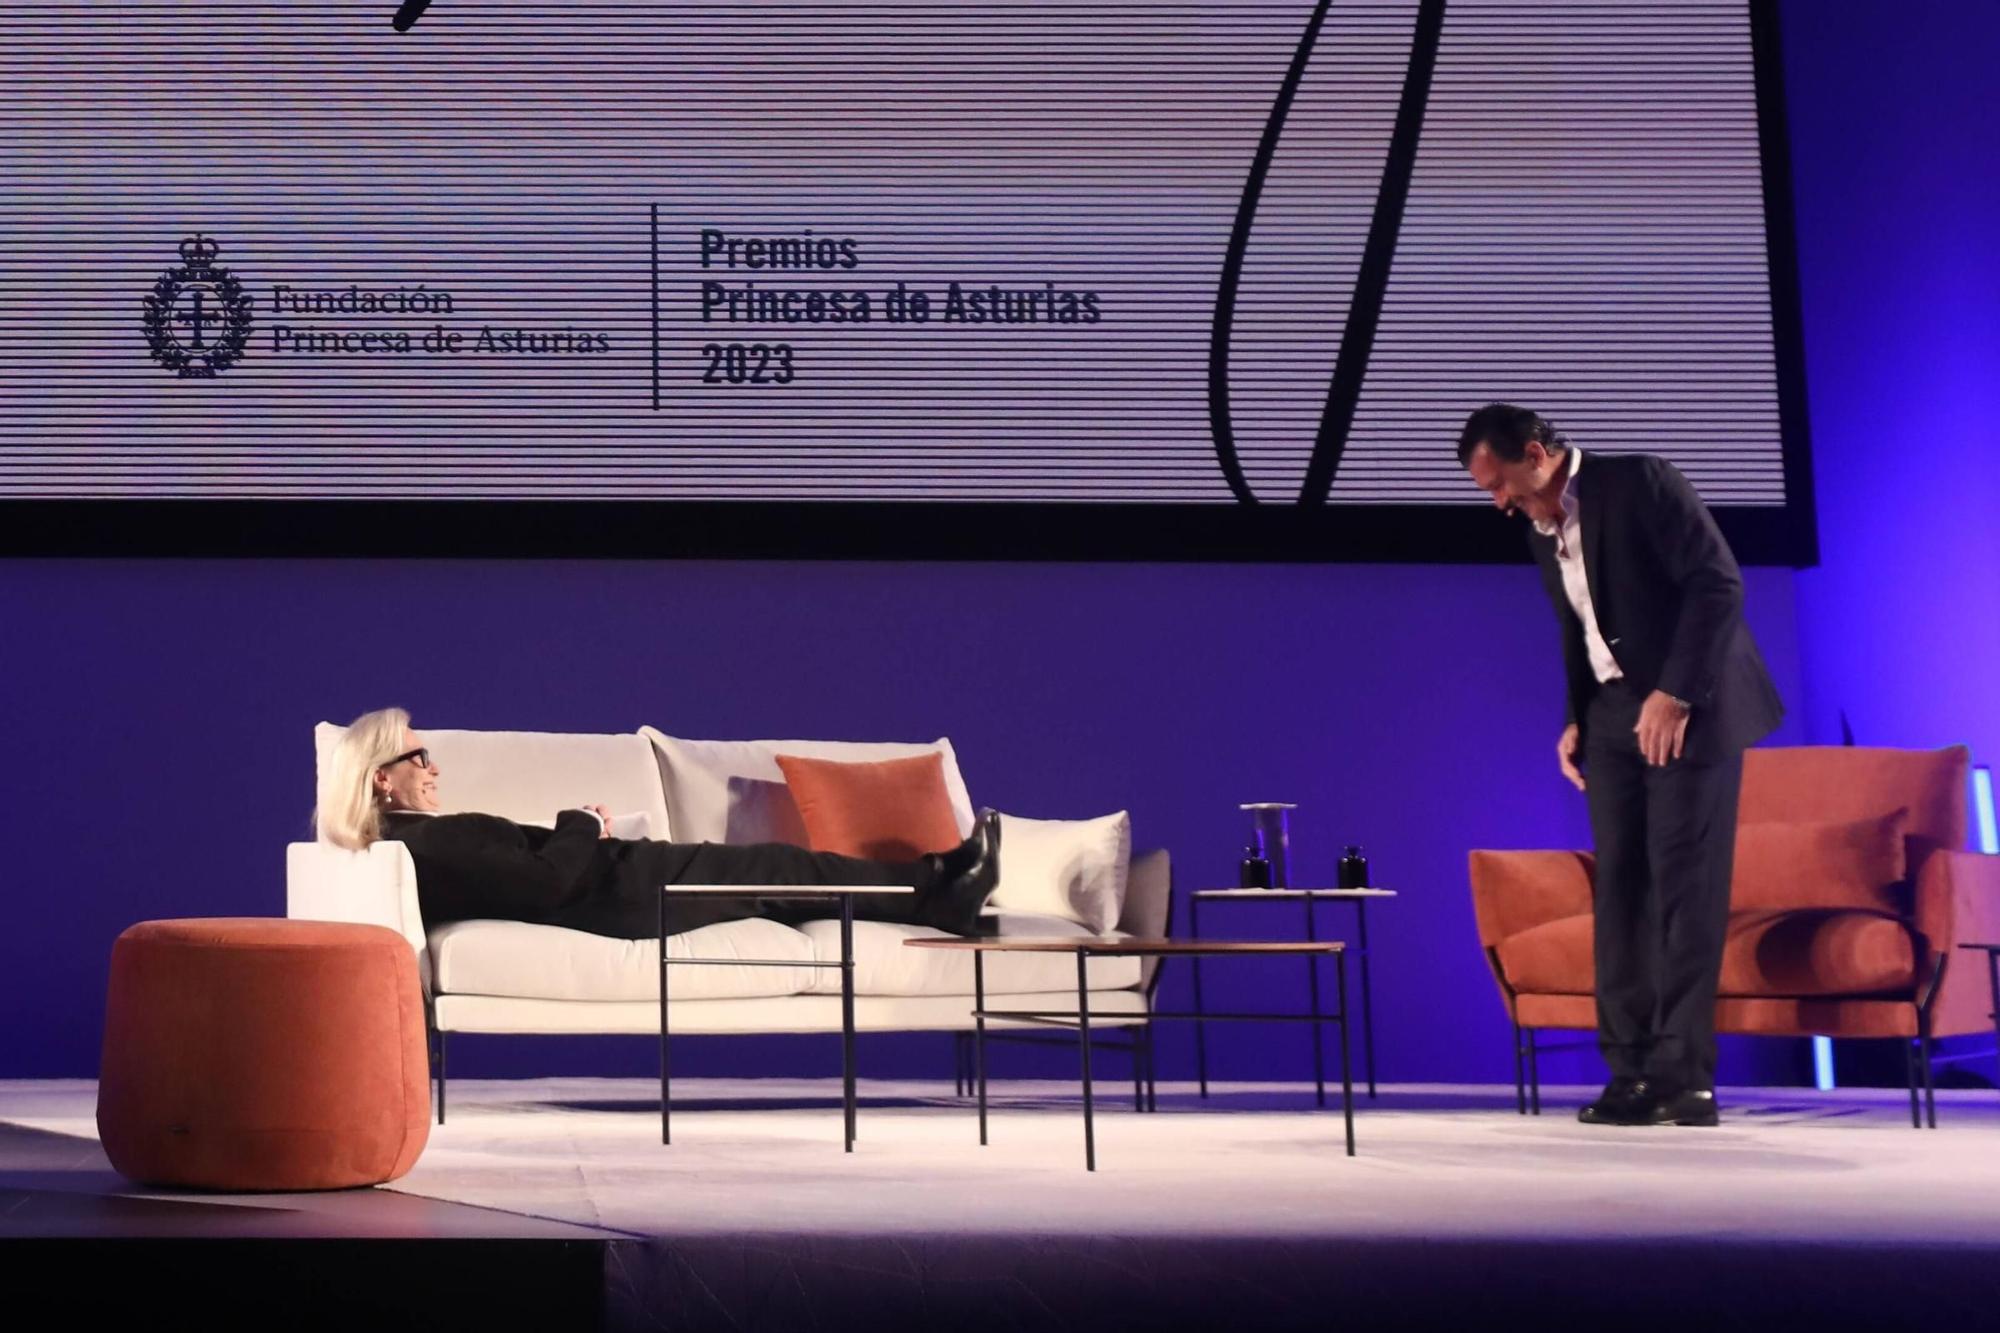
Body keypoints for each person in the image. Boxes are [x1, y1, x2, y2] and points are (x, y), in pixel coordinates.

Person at [1458, 404, 1783, 1127]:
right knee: (1622, 891)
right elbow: (1582, 625)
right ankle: (1631, 1073)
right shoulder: (1543, 531)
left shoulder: (1639, 483)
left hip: (1686, 705)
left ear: (1537, 453)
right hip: (1611, 716)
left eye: (1500, 483)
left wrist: (1674, 693)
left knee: (1682, 888)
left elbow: (1717, 584)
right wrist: (1576, 716)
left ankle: (1685, 1079)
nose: (1500, 502)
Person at [315, 707, 1002, 939]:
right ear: (384, 775)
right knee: (787, 868)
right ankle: (941, 888)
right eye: (420, 755)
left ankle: (938, 884)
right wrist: (579, 820)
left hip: (627, 882)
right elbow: (547, 884)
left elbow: (527, 875)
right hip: (629, 893)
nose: (433, 767)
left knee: (782, 880)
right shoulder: (432, 836)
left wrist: (585, 836)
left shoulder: (414, 842)